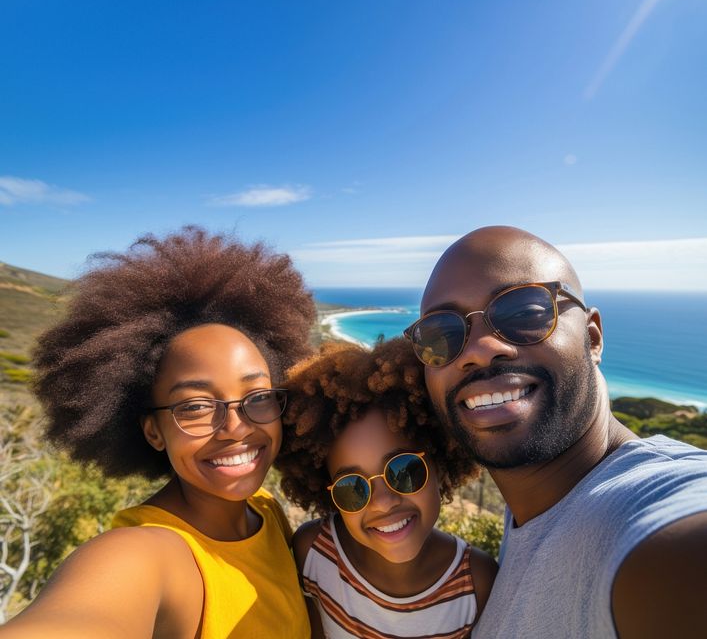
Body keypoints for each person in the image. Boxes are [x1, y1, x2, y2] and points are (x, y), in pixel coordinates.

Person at [3, 226, 317, 639]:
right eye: (197, 406)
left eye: (257, 396)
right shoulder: (146, 554)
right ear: (153, 431)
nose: (237, 427)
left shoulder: (264, 510)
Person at [403, 224, 707, 639]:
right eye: (442, 334)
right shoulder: (535, 510)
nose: (478, 350)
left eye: (524, 311)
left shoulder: (654, 517)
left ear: (593, 337)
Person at [275, 337, 497, 639]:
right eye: (352, 487)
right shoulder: (314, 553)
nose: (383, 502)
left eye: (403, 470)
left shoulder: (476, 581)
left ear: (440, 461)